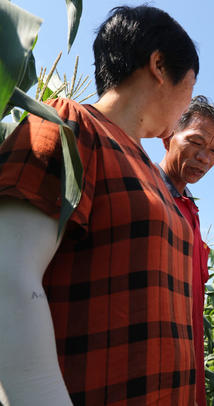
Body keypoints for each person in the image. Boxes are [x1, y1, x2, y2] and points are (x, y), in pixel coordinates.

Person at [0, 6, 199, 405]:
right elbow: (9, 276)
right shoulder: (67, 124)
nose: (186, 105)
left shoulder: (148, 168)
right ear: (159, 65)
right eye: (190, 87)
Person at [158, 95, 214, 406]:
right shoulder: (144, 192)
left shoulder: (191, 213)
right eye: (196, 142)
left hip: (184, 360)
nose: (205, 158)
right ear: (168, 136)